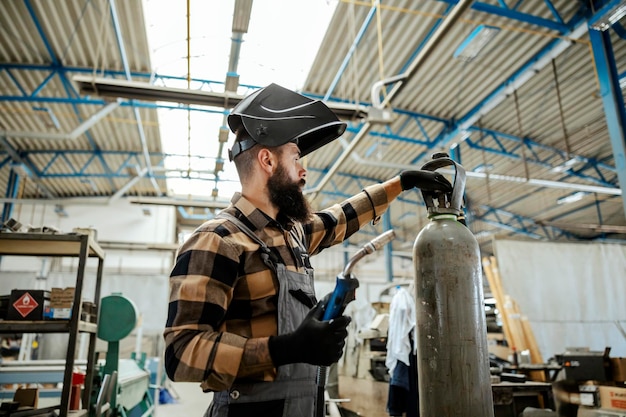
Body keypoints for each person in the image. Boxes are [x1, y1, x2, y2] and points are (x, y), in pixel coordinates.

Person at [163, 83, 452, 417]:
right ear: (267, 159)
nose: (304, 172)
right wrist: (288, 348)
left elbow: (339, 218)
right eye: (297, 158)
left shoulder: (290, 234)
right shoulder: (218, 240)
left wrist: (401, 183)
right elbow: (181, 353)